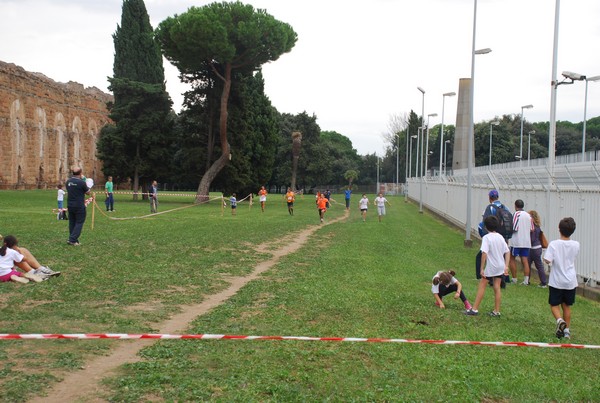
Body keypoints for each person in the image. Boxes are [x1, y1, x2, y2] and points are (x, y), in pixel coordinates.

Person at [466, 215, 510, 317]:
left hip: (492, 266)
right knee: (497, 286)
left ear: (485, 227)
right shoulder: (500, 237)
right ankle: (496, 311)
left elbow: (484, 253)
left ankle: (475, 309)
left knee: (482, 284)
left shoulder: (486, 238)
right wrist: (506, 266)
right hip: (500, 265)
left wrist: (481, 268)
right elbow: (507, 251)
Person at [544, 217, 579, 339]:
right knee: (566, 306)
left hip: (556, 281)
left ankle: (559, 321)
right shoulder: (576, 245)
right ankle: (567, 331)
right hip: (570, 281)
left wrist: (546, 258)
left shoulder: (554, 244)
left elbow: (547, 260)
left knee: (554, 305)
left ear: (559, 229)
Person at [477, 189, 511, 286]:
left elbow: (485, 222)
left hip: (493, 235)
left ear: (490, 197)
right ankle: (504, 277)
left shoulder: (490, 208)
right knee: (502, 255)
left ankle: (492, 279)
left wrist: (484, 234)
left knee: (491, 256)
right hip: (503, 236)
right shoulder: (505, 207)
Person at [509, 199, 534, 285]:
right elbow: (532, 229)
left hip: (516, 241)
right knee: (525, 260)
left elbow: (514, 227)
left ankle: (514, 278)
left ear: (515, 206)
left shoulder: (516, 214)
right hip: (526, 242)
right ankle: (526, 280)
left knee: (511, 258)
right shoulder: (528, 216)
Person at [66, 166, 90, 246]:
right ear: (80, 173)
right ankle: (72, 240)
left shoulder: (68, 182)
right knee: (79, 222)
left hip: (70, 205)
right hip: (79, 205)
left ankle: (73, 239)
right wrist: (84, 180)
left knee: (72, 222)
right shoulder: (82, 182)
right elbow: (88, 192)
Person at [528, 210, 548, 288]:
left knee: (529, 264)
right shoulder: (538, 226)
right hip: (538, 247)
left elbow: (532, 239)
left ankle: (528, 280)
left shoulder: (532, 228)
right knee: (539, 265)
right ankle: (543, 282)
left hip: (533, 248)